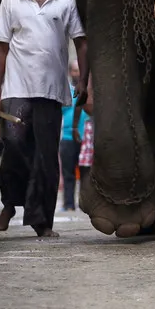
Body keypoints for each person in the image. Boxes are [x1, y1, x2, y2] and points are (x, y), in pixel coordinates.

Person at [0, 0, 89, 237]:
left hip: (51, 90)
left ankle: (42, 222)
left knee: (46, 155)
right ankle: (11, 203)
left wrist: (83, 81)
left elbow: (81, 42)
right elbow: (1, 49)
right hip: (16, 88)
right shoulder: (11, 0)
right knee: (14, 142)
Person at [59, 61, 89, 211]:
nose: (77, 73)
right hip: (68, 137)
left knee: (86, 174)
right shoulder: (65, 92)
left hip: (87, 139)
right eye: (75, 71)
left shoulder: (90, 91)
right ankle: (69, 205)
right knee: (68, 174)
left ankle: (85, 204)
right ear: (71, 72)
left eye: (80, 70)